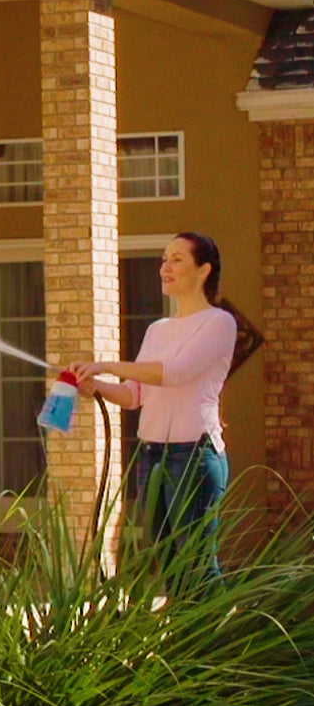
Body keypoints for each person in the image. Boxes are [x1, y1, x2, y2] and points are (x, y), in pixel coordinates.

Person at [71, 232, 237, 583]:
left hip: (193, 456)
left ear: (203, 269)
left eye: (177, 259)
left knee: (195, 562)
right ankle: (182, 637)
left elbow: (175, 374)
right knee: (166, 561)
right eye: (164, 259)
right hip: (152, 455)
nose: (165, 268)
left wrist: (108, 365)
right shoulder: (158, 329)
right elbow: (135, 395)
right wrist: (94, 384)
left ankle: (216, 637)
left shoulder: (219, 323)